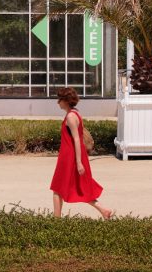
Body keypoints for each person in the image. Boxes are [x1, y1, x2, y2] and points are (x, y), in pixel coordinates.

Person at [50, 87, 113, 219]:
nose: (58, 102)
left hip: (69, 157)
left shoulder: (71, 117)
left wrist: (78, 162)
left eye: (60, 99)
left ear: (66, 101)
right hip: (74, 156)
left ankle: (55, 221)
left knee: (57, 188)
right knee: (80, 187)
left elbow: (77, 139)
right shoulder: (76, 113)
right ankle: (104, 210)